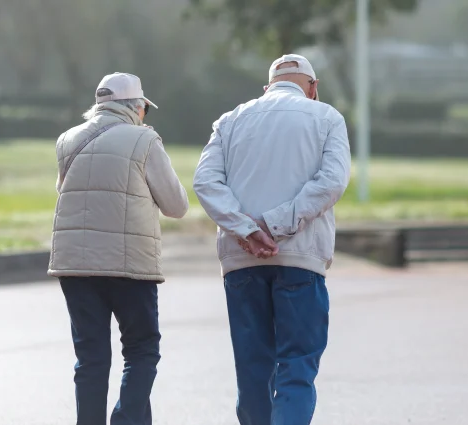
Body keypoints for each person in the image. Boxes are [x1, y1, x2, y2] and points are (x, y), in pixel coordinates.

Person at [193, 54, 351, 425]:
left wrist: (247, 229)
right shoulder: (327, 117)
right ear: (312, 87)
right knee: (296, 365)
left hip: (241, 260)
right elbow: (331, 182)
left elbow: (206, 182)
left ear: (267, 88)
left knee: (252, 367)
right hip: (300, 256)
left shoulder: (230, 121)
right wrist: (275, 224)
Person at [49, 72, 189, 425]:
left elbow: (65, 190)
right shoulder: (145, 140)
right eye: (145, 108)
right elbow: (177, 206)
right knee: (142, 350)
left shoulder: (67, 140)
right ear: (135, 106)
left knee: (90, 357)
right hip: (130, 265)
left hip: (75, 265)